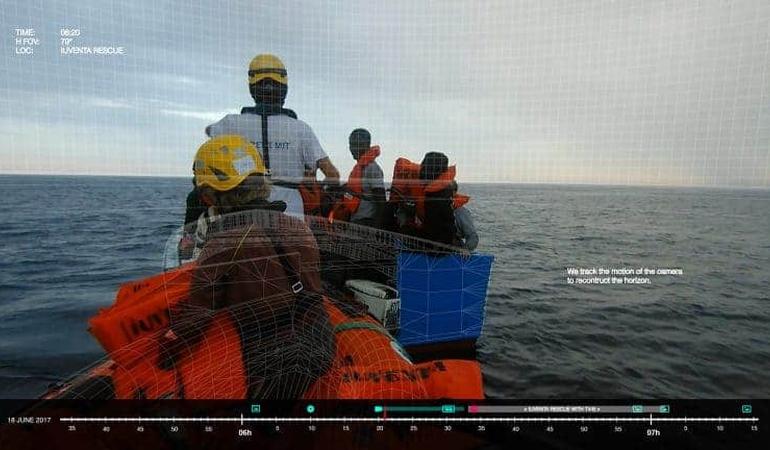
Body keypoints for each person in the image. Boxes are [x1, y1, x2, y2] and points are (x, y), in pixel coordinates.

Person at [160, 134, 335, 399]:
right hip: (321, 340)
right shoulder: (300, 228)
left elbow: (198, 315)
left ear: (209, 197)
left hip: (272, 361)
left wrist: (166, 347)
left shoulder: (222, 244)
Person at [203, 54, 340, 216]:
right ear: (283, 88)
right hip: (291, 209)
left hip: (245, 207)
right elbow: (333, 175)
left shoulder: (230, 124)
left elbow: (209, 132)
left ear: (252, 87)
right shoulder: (301, 129)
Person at [328, 128, 386, 227]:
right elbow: (355, 194)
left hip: (367, 221)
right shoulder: (359, 169)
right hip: (356, 220)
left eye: (355, 145)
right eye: (351, 145)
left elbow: (381, 200)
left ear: (366, 145)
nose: (352, 149)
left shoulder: (372, 168)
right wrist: (341, 190)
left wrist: (378, 228)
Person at [451, 181, 479, 251]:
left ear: (454, 192)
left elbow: (472, 236)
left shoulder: (460, 212)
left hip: (454, 251)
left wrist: (466, 249)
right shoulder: (434, 208)